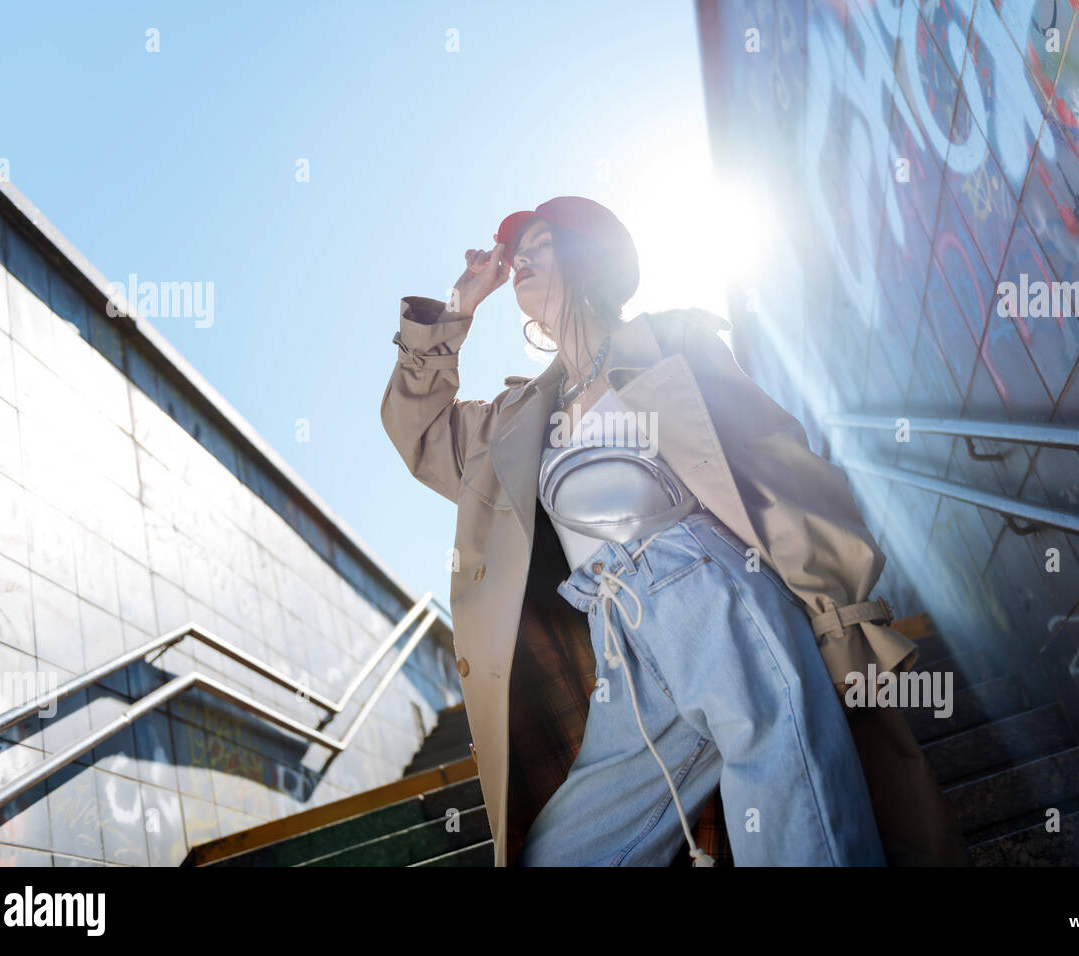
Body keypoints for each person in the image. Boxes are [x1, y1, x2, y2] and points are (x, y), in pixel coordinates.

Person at [380, 196, 971, 866]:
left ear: (588, 255)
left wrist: (841, 611)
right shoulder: (515, 419)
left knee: (797, 812)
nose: (521, 258)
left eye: (542, 242)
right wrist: (457, 309)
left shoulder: (671, 341)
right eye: (518, 250)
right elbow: (419, 433)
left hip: (710, 587)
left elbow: (778, 463)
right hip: (616, 643)